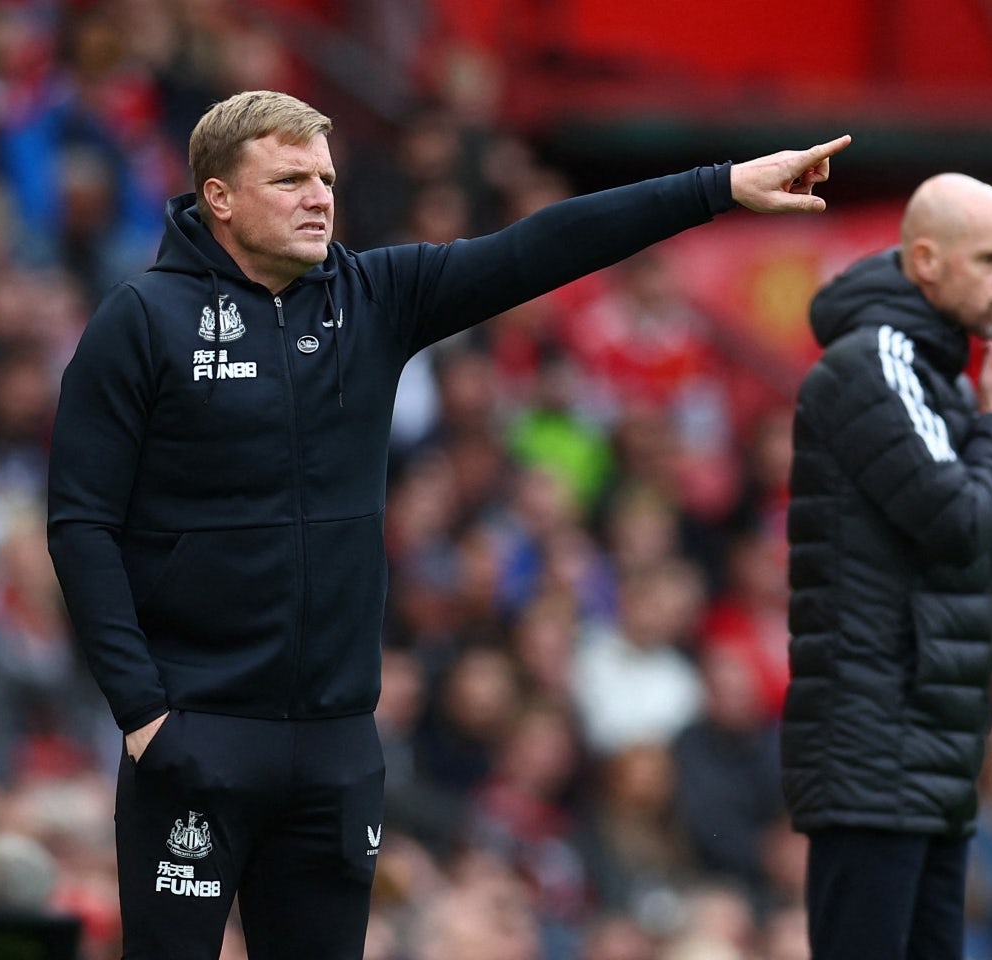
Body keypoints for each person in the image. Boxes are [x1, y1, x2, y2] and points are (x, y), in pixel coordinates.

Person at [45, 88, 850, 960]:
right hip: (195, 735)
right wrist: (144, 713)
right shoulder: (141, 321)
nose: (321, 196)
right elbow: (81, 523)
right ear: (219, 197)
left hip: (338, 747)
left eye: (326, 177)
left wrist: (719, 186)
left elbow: (541, 246)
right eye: (290, 180)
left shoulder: (372, 297)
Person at [781, 171, 992, 960]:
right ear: (926, 261)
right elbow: (958, 520)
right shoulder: (873, 361)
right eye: (989, 261)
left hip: (930, 752)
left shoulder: (942, 372)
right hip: (873, 751)